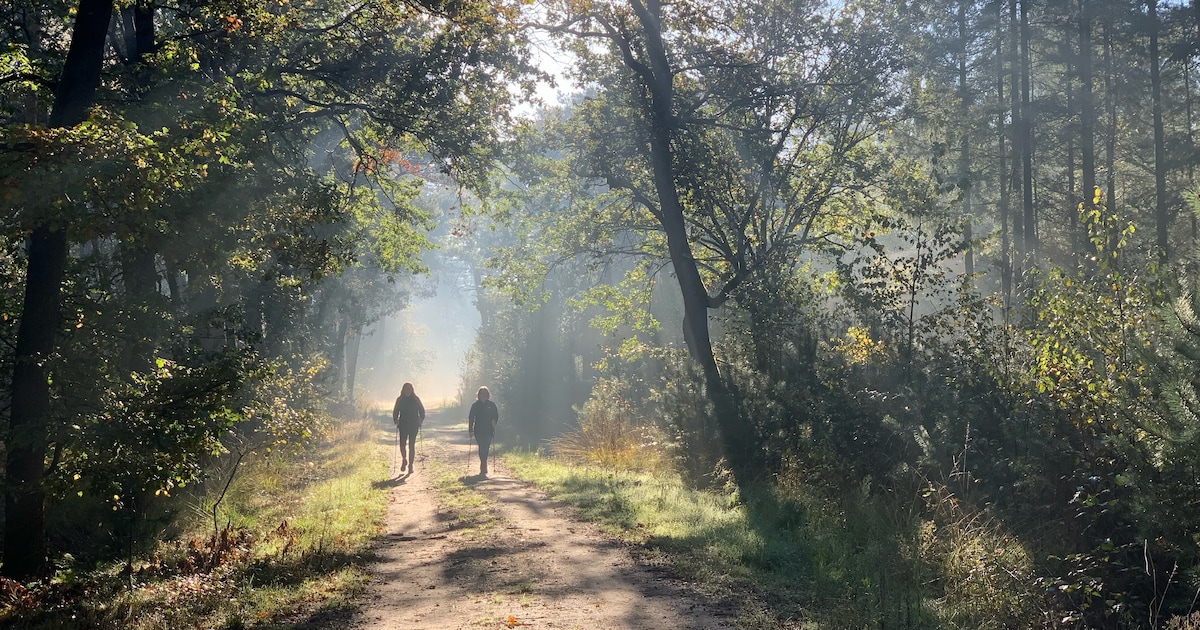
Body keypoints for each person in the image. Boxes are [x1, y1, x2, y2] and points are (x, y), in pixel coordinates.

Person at [392, 382, 425, 473]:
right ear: (403, 390)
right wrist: (396, 420)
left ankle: (410, 465)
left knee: (412, 445)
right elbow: (395, 411)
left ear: (412, 390)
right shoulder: (400, 400)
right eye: (406, 389)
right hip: (403, 425)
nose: (408, 391)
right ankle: (404, 459)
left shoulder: (416, 399)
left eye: (409, 389)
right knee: (402, 444)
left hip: (414, 425)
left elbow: (422, 411)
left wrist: (421, 419)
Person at [468, 386, 499, 477]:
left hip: (489, 430)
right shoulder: (475, 405)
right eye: (482, 394)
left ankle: (484, 462)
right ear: (479, 395)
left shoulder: (491, 405)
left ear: (488, 395)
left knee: (486, 447)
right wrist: (471, 430)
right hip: (478, 430)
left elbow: (496, 415)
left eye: (485, 394)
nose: (483, 395)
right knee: (482, 446)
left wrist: (494, 421)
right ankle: (483, 464)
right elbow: (471, 418)